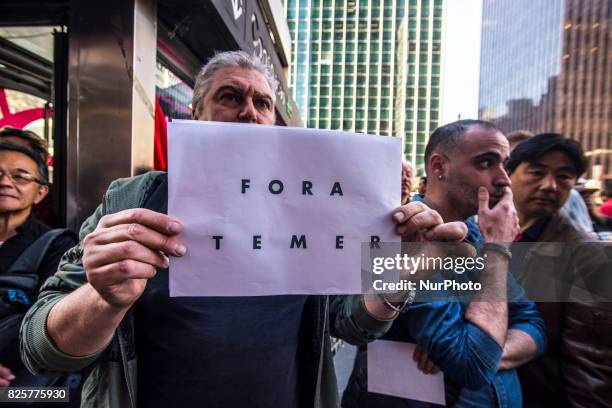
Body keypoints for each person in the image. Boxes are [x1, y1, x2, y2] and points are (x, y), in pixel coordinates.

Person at [20, 51, 467, 408]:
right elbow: (41, 348)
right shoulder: (132, 201)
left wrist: (398, 274)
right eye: (230, 97)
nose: (249, 112)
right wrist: (101, 297)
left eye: (262, 103)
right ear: (196, 113)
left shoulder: (314, 210)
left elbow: (349, 323)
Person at [342, 120, 545, 407]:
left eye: (504, 165)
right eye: (486, 163)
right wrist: (498, 252)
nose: (504, 179)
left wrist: (493, 347)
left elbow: (533, 324)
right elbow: (470, 361)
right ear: (439, 167)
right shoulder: (402, 235)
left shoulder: (479, 234)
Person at [506, 133, 612, 407]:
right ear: (509, 173)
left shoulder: (586, 255)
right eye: (537, 172)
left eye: (564, 176)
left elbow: (590, 360)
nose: (550, 185)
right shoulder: (477, 230)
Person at [0, 141, 76, 388]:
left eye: (20, 177)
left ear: (41, 192)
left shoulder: (56, 245)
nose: (5, 182)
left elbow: (48, 321)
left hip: (23, 386)